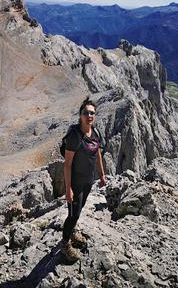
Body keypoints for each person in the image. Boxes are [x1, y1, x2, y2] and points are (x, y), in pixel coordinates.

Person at [61, 96, 106, 262]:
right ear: (80, 115)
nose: (90, 116)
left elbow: (98, 153)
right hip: (75, 183)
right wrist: (68, 189)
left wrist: (101, 175)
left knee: (78, 212)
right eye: (86, 113)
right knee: (72, 215)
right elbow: (67, 165)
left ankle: (71, 233)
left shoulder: (94, 132)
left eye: (92, 113)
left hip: (88, 182)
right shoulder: (75, 136)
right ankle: (64, 245)